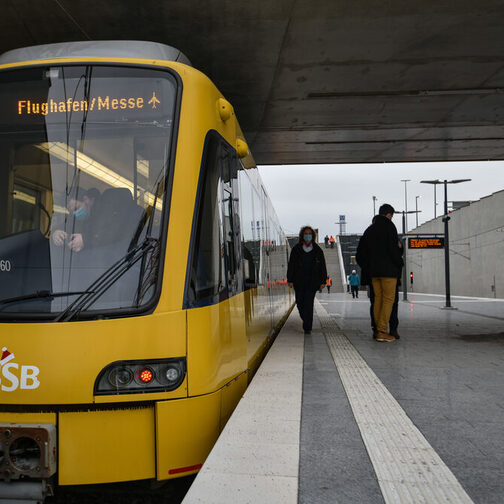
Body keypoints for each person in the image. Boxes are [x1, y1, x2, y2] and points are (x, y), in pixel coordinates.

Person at [355, 204, 402, 343]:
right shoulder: (389, 227)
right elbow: (394, 251)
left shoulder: (369, 230)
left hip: (374, 273)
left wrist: (368, 267)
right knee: (389, 301)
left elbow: (360, 254)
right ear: (389, 215)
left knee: (377, 300)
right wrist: (399, 261)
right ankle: (382, 331)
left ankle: (376, 329)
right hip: (388, 272)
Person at [287, 226, 327, 335]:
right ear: (302, 235)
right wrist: (290, 279)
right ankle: (306, 319)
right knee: (300, 303)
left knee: (309, 303)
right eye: (306, 233)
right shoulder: (296, 249)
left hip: (312, 282)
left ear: (313, 236)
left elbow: (322, 266)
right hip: (299, 281)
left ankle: (307, 326)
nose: (308, 235)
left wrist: (323, 281)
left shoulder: (318, 250)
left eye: (310, 234)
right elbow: (291, 265)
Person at [51, 188, 100, 252]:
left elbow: (106, 236)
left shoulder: (101, 217)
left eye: (77, 208)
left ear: (86, 200)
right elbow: (64, 227)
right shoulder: (73, 219)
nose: (75, 214)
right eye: (71, 211)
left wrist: (85, 239)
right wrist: (55, 233)